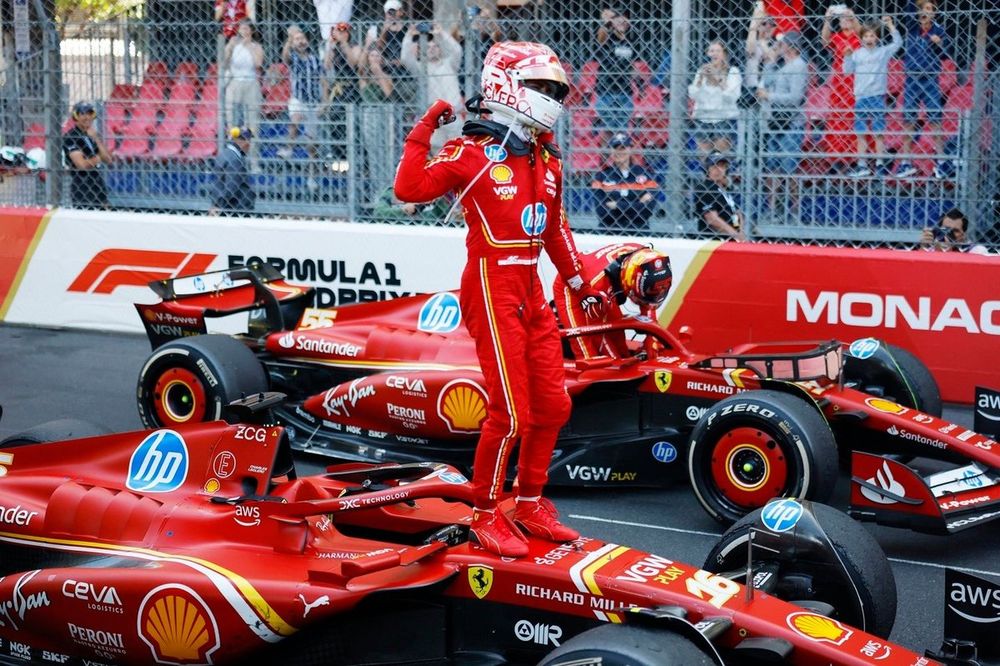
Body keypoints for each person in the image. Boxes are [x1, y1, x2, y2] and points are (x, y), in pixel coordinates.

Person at [394, 41, 598, 558]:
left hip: (529, 287)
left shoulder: (547, 157)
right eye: (540, 87)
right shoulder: (471, 153)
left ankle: (529, 502)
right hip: (489, 285)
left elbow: (556, 229)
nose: (550, 97)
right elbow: (409, 189)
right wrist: (425, 129)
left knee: (553, 404)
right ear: (506, 84)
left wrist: (577, 281)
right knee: (509, 411)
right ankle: (485, 511)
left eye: (554, 89)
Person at [553, 243, 672, 360]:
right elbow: (598, 333)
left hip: (603, 287)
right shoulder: (599, 284)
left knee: (618, 337)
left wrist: (652, 337)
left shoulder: (645, 260)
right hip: (573, 286)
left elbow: (649, 302)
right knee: (586, 351)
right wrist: (617, 364)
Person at [897, 1, 952, 179]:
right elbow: (909, 8)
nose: (925, 12)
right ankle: (905, 162)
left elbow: (946, 53)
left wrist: (938, 44)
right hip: (912, 78)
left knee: (935, 118)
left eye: (929, 9)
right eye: (922, 9)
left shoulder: (939, 30)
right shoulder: (913, 26)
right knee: (909, 119)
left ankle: (942, 161)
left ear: (934, 13)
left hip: (930, 78)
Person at [842, 16, 902, 178]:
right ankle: (862, 164)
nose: (869, 38)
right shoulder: (857, 54)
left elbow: (897, 44)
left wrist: (890, 25)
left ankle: (880, 163)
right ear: (861, 38)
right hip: (861, 97)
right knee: (860, 132)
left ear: (877, 37)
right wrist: (847, 56)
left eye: (872, 35)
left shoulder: (883, 52)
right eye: (866, 35)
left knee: (878, 132)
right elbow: (847, 71)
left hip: (877, 96)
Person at [400, 23, 463, 150]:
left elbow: (457, 50)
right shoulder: (420, 68)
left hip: (453, 115)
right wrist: (408, 36)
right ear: (422, 50)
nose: (432, 49)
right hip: (434, 117)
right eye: (428, 47)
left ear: (440, 49)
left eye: (435, 46)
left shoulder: (450, 64)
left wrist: (441, 34)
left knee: (459, 150)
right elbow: (406, 59)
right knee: (437, 152)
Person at [757, 30, 809, 175]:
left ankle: (792, 198)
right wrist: (771, 61)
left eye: (781, 43)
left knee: (789, 169)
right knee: (772, 168)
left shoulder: (799, 65)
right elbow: (766, 81)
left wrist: (769, 96)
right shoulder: (781, 65)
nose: (777, 46)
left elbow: (795, 97)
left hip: (791, 123)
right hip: (776, 120)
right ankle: (773, 198)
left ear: (791, 46)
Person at [820, 6, 862, 169]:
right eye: (842, 18)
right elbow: (824, 41)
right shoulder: (837, 37)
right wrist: (828, 19)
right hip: (839, 80)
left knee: (854, 115)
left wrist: (853, 16)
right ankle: (837, 154)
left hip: (855, 80)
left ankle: (854, 155)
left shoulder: (858, 37)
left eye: (847, 18)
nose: (844, 21)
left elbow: (862, 33)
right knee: (837, 116)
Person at [591, 133, 659, 230]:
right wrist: (637, 204)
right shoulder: (601, 176)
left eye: (622, 148)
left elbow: (646, 211)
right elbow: (602, 212)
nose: (619, 151)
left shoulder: (646, 174)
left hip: (639, 230)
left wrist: (617, 205)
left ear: (630, 150)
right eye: (615, 148)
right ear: (610, 151)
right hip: (609, 230)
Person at [279, 26, 327, 162]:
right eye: (297, 39)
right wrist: (289, 39)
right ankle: (289, 148)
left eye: (303, 38)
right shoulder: (293, 58)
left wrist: (324, 103)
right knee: (295, 118)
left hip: (313, 101)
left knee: (312, 142)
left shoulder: (315, 60)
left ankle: (312, 171)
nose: (301, 42)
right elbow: (285, 56)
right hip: (298, 99)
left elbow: (323, 82)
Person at [687, 40, 742, 155]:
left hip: (724, 118)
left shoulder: (733, 71)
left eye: (718, 51)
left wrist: (718, 79)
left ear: (724, 54)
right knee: (704, 156)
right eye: (712, 51)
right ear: (708, 53)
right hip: (703, 119)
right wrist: (701, 79)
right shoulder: (702, 70)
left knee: (720, 156)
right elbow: (693, 95)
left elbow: (733, 97)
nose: (715, 53)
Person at [222, 19, 264, 154]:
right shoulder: (234, 44)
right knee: (231, 120)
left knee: (252, 123)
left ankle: (253, 159)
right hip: (235, 82)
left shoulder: (256, 46)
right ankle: (232, 153)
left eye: (246, 28)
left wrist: (248, 46)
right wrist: (230, 47)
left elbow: (258, 64)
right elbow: (224, 63)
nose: (243, 31)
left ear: (251, 31)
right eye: (241, 28)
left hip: (251, 83)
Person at [594, 8, 638, 133]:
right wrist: (607, 23)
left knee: (622, 130)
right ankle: (605, 153)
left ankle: (618, 150)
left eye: (626, 19)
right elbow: (601, 38)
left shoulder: (631, 40)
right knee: (608, 129)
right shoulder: (608, 36)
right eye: (619, 19)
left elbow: (633, 64)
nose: (624, 21)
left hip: (625, 91)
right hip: (605, 90)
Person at [62, 101, 112, 209]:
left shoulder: (92, 134)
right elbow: (82, 165)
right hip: (82, 185)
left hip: (97, 183)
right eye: (83, 114)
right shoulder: (71, 136)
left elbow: (108, 159)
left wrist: (96, 139)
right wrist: (99, 158)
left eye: (90, 113)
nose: (87, 117)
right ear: (76, 116)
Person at [366, 0, 414, 103]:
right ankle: (392, 102)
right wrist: (384, 30)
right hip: (385, 66)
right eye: (388, 12)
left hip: (404, 67)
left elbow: (412, 50)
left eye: (393, 11)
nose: (390, 15)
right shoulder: (378, 28)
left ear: (400, 12)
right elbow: (377, 49)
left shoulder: (407, 29)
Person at [695, 151, 746, 240]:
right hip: (714, 240)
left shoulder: (723, 188)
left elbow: (737, 212)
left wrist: (740, 231)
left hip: (731, 237)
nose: (719, 169)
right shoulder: (705, 188)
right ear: (707, 169)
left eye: (722, 166)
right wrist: (735, 235)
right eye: (715, 166)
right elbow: (712, 218)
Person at [210, 126, 255, 215]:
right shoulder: (235, 160)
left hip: (225, 207)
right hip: (235, 209)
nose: (249, 144)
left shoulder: (224, 154)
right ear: (240, 141)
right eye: (248, 140)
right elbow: (231, 188)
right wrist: (219, 206)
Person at [744, 5, 778, 103]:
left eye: (772, 24)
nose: (768, 26)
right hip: (751, 88)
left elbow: (772, 58)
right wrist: (755, 26)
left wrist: (763, 42)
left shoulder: (778, 44)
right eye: (764, 23)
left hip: (768, 89)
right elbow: (750, 50)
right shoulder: (752, 42)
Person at [919, 208, 989, 254]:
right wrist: (923, 247)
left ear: (964, 234)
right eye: (946, 229)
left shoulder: (977, 251)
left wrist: (947, 254)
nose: (949, 233)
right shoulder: (933, 249)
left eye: (955, 231)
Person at [371, 185, 450, 223]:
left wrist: (437, 199)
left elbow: (445, 215)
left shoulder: (432, 192)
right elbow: (379, 212)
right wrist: (403, 210)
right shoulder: (392, 192)